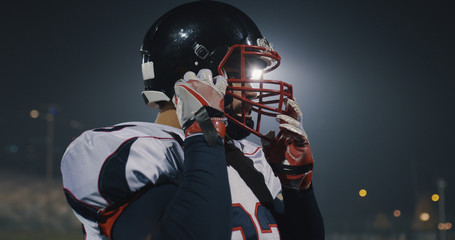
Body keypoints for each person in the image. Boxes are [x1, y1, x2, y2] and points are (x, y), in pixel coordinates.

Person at [61, 1, 324, 239]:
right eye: (238, 72)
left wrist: (297, 189)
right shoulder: (129, 151)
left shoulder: (250, 159)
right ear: (189, 73)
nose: (253, 90)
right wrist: (204, 131)